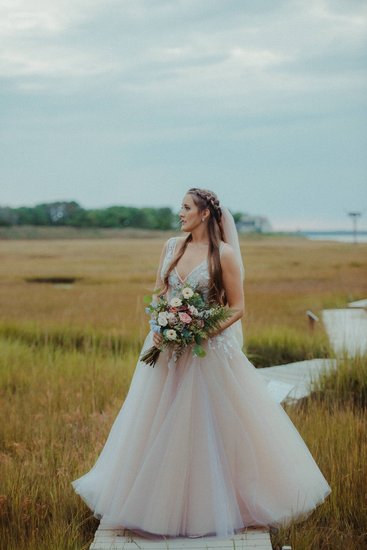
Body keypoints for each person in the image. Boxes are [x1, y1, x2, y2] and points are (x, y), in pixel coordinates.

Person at [71, 188, 331, 539]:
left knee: (210, 426)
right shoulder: (170, 247)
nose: (180, 212)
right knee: (156, 422)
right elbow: (160, 293)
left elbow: (238, 307)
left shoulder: (223, 254)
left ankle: (220, 503)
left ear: (205, 213)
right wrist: (161, 326)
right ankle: (151, 501)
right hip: (165, 349)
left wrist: (201, 329)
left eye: (186, 207)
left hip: (206, 351)